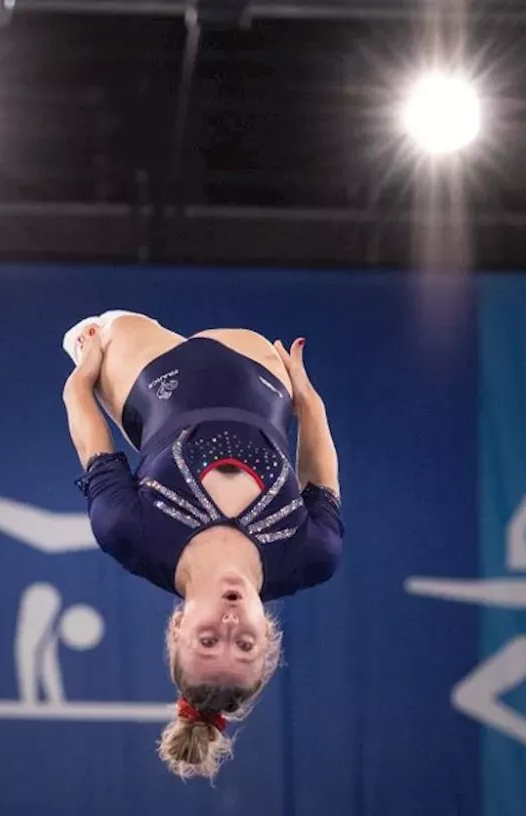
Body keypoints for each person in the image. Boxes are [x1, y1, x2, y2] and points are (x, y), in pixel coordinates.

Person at [60, 309, 343, 781]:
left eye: (209, 640)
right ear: (268, 635)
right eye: (245, 642)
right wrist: (307, 399)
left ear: (178, 626)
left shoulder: (131, 534)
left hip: (156, 380)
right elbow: (319, 474)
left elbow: (89, 434)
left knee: (99, 330)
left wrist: (83, 371)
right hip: (260, 380)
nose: (230, 622)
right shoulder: (310, 555)